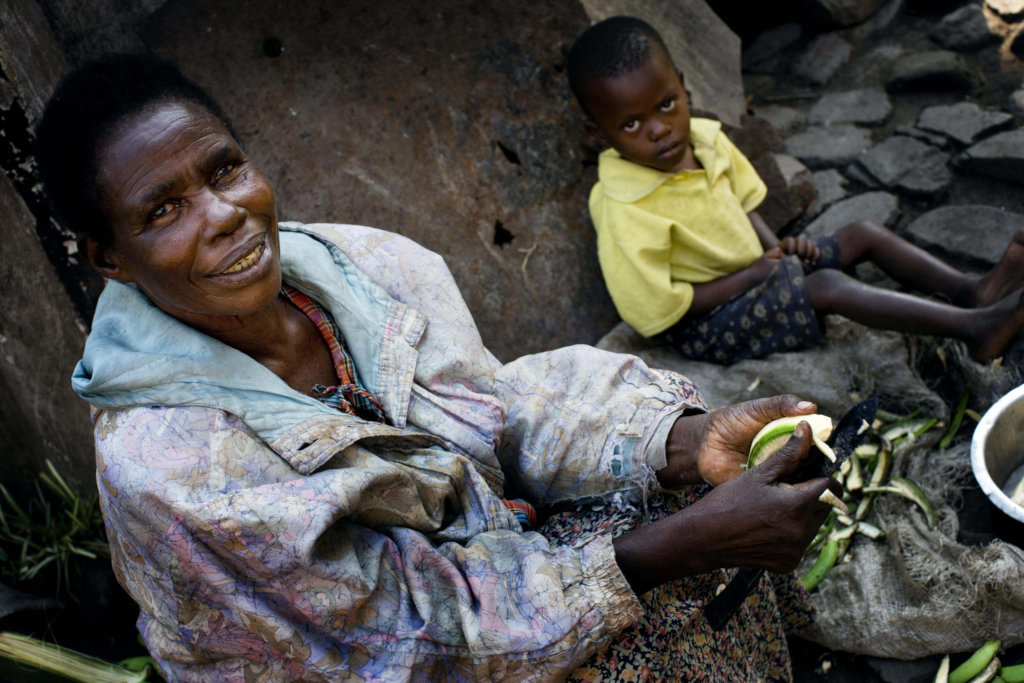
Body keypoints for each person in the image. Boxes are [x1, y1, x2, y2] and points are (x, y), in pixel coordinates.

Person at [38, 54, 838, 681]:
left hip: (484, 571)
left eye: (222, 170)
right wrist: (672, 549)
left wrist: (683, 437)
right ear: (111, 257)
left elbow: (496, 406)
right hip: (372, 659)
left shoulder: (362, 265)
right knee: (642, 633)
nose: (223, 215)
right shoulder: (171, 466)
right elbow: (400, 642)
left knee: (698, 480)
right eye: (163, 210)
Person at [567, 16, 1024, 365]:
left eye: (667, 105)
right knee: (825, 285)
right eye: (631, 124)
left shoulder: (705, 138)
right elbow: (657, 313)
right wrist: (754, 276)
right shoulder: (621, 204)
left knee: (862, 232)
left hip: (758, 271)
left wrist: (780, 249)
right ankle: (975, 329)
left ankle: (971, 291)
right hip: (705, 323)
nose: (659, 130)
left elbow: (743, 205)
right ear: (598, 132)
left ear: (684, 88)